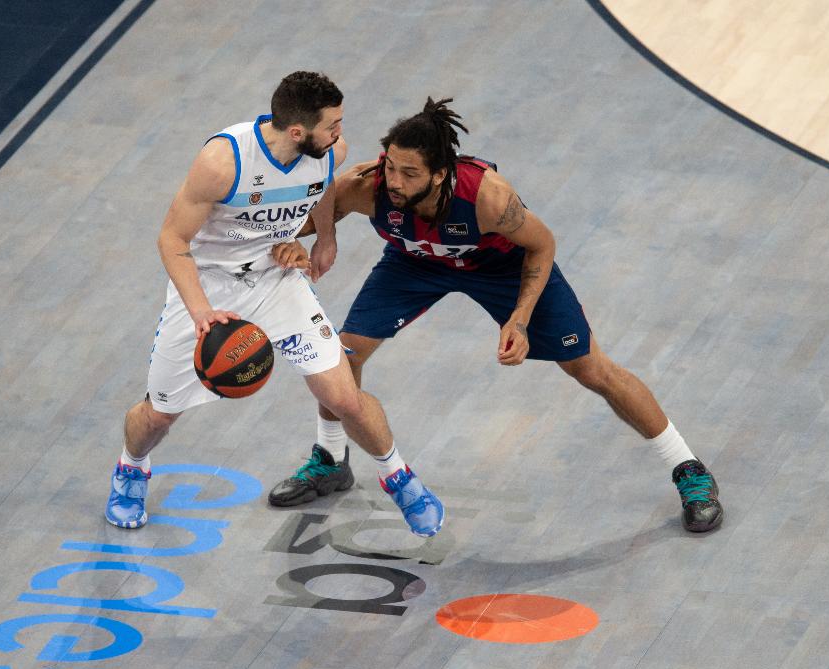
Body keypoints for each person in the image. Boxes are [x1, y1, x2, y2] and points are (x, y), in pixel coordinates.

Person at [268, 97, 723, 533]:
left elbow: (542, 244)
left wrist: (519, 319)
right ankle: (331, 459)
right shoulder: (366, 185)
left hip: (501, 267)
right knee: (341, 356)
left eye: (409, 173)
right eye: (391, 167)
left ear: (440, 174)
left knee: (590, 368)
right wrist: (307, 239)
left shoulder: (488, 199)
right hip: (415, 262)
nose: (395, 182)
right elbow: (312, 211)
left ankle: (688, 468)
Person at [106, 73, 445, 537]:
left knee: (344, 396)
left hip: (275, 279)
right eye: (332, 125)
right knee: (159, 414)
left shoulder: (330, 151)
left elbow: (321, 185)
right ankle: (131, 468)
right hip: (209, 287)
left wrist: (324, 237)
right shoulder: (222, 162)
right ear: (297, 132)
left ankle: (399, 477)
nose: (340, 133)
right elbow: (172, 240)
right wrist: (202, 312)